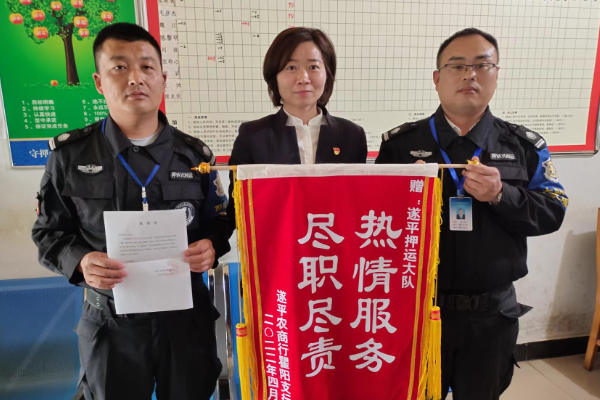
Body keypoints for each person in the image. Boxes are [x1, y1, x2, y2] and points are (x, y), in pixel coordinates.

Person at [31, 23, 231, 400]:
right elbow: (48, 233)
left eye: (147, 67)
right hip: (110, 322)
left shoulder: (195, 157)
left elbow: (219, 221)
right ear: (99, 81)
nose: (135, 78)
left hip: (185, 321)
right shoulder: (69, 157)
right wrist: (81, 261)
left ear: (163, 79)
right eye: (120, 67)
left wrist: (211, 245)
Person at [375, 28, 568, 400]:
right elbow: (372, 221)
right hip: (417, 311)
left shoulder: (524, 146)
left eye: (482, 65)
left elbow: (554, 210)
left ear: (496, 74)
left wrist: (502, 195)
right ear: (437, 78)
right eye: (458, 66)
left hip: (491, 316)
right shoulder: (400, 146)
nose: (470, 75)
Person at [227, 27, 367, 227]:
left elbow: (359, 202)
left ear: (327, 74)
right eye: (291, 67)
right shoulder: (253, 136)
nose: (303, 79)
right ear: (274, 76)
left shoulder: (351, 135)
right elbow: (237, 208)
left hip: (333, 242)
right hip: (277, 243)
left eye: (313, 67)